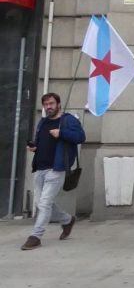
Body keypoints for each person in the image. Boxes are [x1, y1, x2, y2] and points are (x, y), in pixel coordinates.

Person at [21, 93, 86, 251]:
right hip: (40, 168)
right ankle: (67, 220)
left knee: (44, 203)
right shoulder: (43, 122)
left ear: (58, 104)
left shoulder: (68, 120)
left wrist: (62, 133)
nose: (48, 107)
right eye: (46, 104)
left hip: (56, 168)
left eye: (51, 103)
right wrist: (34, 147)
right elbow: (41, 143)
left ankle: (35, 236)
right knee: (42, 203)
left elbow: (81, 137)